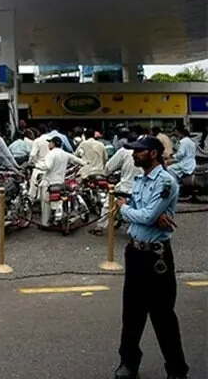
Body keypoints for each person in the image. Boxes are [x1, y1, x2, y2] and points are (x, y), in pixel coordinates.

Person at [113, 136, 189, 379]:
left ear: (153, 154)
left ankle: (177, 370)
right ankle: (128, 363)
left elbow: (141, 214)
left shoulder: (166, 182)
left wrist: (125, 208)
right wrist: (151, 215)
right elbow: (145, 212)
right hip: (135, 252)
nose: (134, 155)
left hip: (157, 257)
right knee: (131, 313)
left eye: (139, 151)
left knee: (163, 315)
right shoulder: (141, 180)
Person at [90, 141, 142, 236]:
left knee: (109, 204)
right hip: (142, 188)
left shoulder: (125, 151)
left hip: (126, 186)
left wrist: (105, 173)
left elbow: (109, 167)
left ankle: (100, 227)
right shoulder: (149, 153)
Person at [37, 136, 84, 227]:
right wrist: (85, 163)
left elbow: (48, 166)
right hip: (60, 182)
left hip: (49, 182)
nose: (48, 144)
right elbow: (77, 160)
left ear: (53, 144)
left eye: (50, 142)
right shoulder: (64, 154)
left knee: (45, 203)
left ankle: (45, 223)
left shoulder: (51, 154)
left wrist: (37, 166)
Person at [28, 124, 51, 202]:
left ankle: (32, 200)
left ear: (38, 132)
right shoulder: (51, 140)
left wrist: (30, 163)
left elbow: (32, 155)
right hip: (50, 167)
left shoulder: (37, 141)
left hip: (39, 167)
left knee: (33, 184)